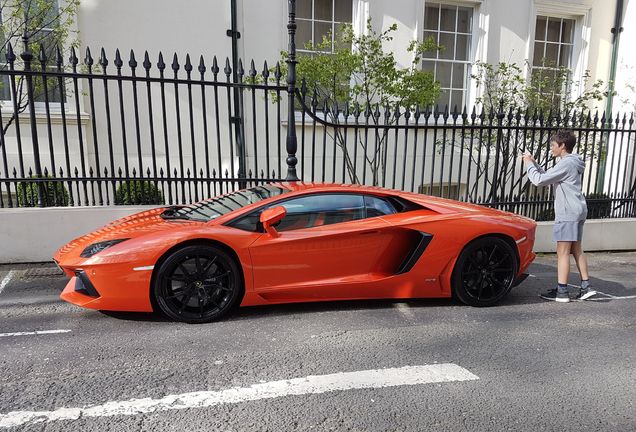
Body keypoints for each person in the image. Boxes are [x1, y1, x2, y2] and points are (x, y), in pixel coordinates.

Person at [522, 130, 597, 302]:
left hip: (568, 212)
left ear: (562, 146)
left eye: (553, 145)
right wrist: (534, 163)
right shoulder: (572, 162)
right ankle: (586, 286)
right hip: (578, 210)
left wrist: (528, 164)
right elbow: (549, 177)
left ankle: (562, 292)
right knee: (576, 249)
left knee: (562, 252)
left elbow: (539, 181)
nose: (551, 148)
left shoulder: (566, 164)